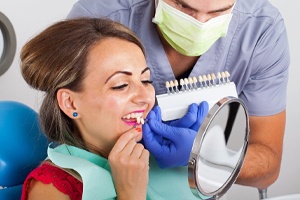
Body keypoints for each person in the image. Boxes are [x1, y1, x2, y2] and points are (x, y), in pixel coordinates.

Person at [67, 0, 290, 190]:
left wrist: (206, 155)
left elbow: (268, 168)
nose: (200, 24)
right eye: (183, 6)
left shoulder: (261, 29)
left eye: (217, 12)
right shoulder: (99, 17)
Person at [20, 18, 208, 200]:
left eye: (146, 80)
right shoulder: (51, 189)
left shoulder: (159, 157)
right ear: (70, 103)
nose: (145, 98)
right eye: (120, 85)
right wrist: (130, 194)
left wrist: (203, 161)